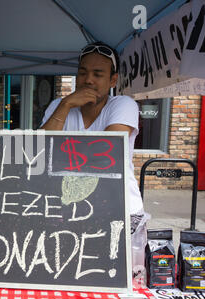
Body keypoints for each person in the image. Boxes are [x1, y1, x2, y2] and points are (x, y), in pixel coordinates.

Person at [41, 41, 149, 277]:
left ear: (112, 80)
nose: (88, 80)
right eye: (82, 73)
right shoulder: (58, 106)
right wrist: (66, 104)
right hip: (67, 213)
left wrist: (60, 154)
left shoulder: (123, 104)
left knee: (114, 280)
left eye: (98, 74)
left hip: (120, 212)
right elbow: (40, 152)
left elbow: (106, 155)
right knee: (65, 278)